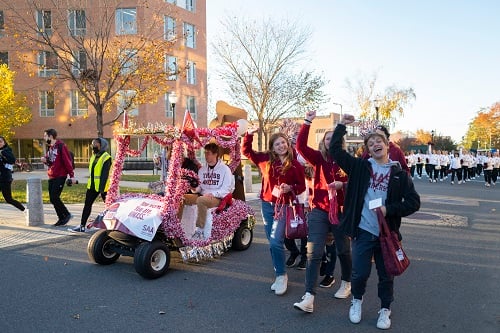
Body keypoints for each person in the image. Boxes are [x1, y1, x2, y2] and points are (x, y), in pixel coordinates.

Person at [329, 114, 420, 330]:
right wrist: (341, 125)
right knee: (359, 272)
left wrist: (390, 209)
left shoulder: (399, 174)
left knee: (386, 274)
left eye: (379, 141)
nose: (375, 144)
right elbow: (335, 151)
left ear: (387, 145)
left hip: (387, 235)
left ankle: (385, 309)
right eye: (371, 143)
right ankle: (357, 301)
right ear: (367, 149)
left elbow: (414, 202)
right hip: (363, 231)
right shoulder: (360, 168)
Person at [292, 110, 351, 313]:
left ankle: (346, 282)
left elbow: (356, 182)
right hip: (319, 210)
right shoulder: (318, 158)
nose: (329, 141)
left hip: (341, 212)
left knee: (343, 249)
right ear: (323, 142)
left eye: (333, 138)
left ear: (339, 142)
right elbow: (299, 146)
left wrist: (342, 185)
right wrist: (307, 121)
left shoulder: (346, 161)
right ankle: (309, 296)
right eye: (326, 138)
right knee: (313, 252)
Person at [243, 129, 306, 296]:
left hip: (284, 206)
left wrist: (291, 187)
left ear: (288, 144)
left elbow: (302, 186)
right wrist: (249, 135)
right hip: (267, 205)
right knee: (273, 242)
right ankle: (279, 268)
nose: (281, 146)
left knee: (274, 241)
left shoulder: (295, 164)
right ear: (272, 147)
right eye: (277, 143)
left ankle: (281, 275)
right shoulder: (265, 160)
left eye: (283, 142)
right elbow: (246, 151)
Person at [184, 143, 234, 239]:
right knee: (182, 198)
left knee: (201, 200)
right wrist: (194, 188)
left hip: (216, 198)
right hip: (203, 195)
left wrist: (214, 193)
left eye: (208, 153)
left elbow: (226, 189)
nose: (206, 156)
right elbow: (200, 187)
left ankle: (199, 230)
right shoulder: (202, 170)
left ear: (215, 154)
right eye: (205, 153)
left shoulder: (225, 169)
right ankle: (177, 226)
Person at [69, 138, 112, 232]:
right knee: (87, 205)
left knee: (109, 207)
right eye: (93, 144)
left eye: (95, 144)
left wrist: (101, 190)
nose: (93, 146)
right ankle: (82, 226)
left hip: (103, 187)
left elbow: (105, 174)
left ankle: (113, 226)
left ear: (102, 145)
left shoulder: (106, 157)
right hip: (92, 186)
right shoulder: (93, 156)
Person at [40, 128, 76, 226]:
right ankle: (61, 217)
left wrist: (72, 176)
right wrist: (45, 160)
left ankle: (67, 214)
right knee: (52, 198)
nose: (44, 138)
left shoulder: (61, 146)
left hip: (60, 175)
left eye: (45, 136)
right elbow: (51, 163)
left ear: (50, 136)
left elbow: (67, 161)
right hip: (52, 175)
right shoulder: (50, 147)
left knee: (55, 197)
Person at [0, 136, 26, 213]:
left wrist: (2, 153)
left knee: (8, 199)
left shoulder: (6, 150)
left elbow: (12, 160)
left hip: (4, 179)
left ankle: (24, 210)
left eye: (0, 141)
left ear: (4, 143)